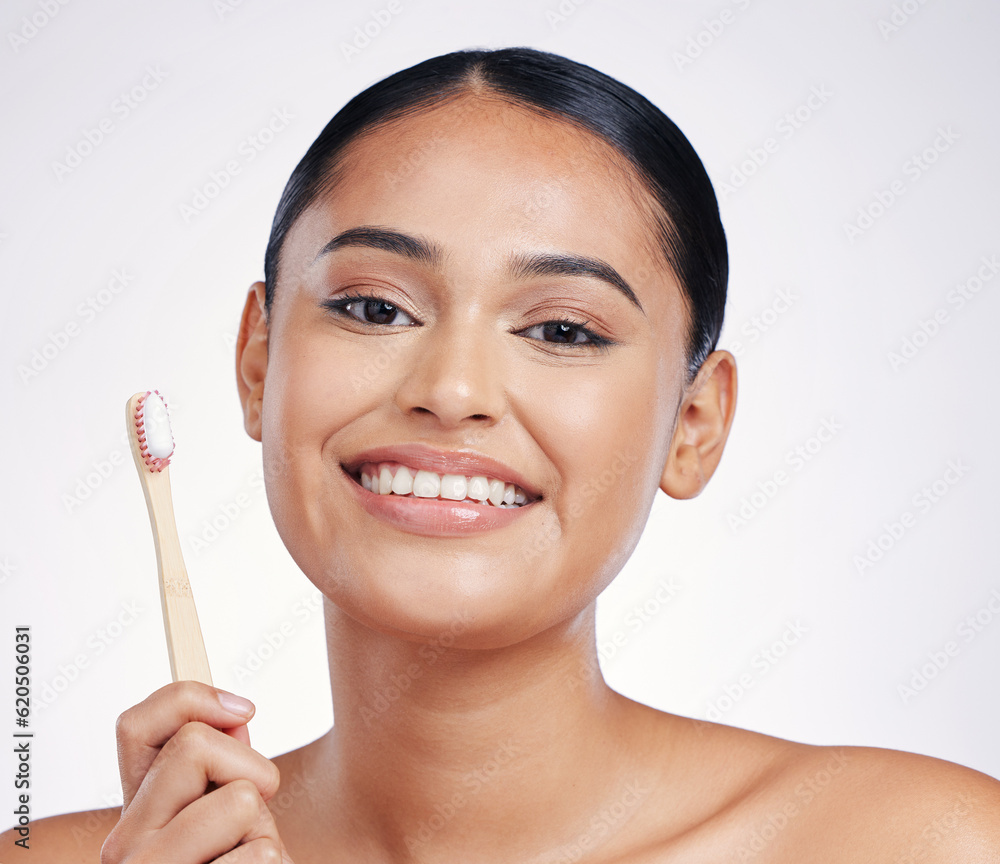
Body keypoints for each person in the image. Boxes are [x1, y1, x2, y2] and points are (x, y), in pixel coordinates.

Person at [6, 47, 999, 863]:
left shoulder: (918, 844)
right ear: (259, 362)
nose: (451, 388)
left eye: (562, 330)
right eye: (372, 307)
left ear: (693, 424)